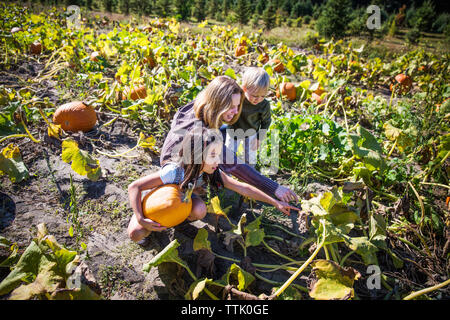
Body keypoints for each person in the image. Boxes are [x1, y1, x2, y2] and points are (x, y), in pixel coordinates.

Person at [127, 126, 300, 243]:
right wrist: (142, 217)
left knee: (200, 210)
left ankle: (176, 219)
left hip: (181, 200)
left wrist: (275, 202)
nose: (218, 160)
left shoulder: (211, 171)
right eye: (213, 155)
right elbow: (134, 186)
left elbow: (242, 187)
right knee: (136, 234)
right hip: (156, 203)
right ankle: (153, 222)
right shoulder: (174, 172)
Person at [159, 75, 298, 204]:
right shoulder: (202, 132)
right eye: (231, 107)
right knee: (201, 206)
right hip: (181, 174)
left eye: (238, 105)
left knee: (225, 131)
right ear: (218, 103)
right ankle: (198, 184)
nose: (236, 111)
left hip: (180, 159)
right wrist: (274, 188)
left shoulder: (198, 104)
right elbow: (234, 163)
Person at [223, 67, 272, 167]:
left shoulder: (264, 105)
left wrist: (259, 138)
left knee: (250, 158)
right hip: (233, 129)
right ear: (244, 88)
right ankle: (225, 175)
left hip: (251, 133)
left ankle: (249, 176)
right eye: (255, 95)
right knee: (228, 156)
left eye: (262, 96)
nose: (258, 99)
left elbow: (266, 122)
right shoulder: (238, 98)